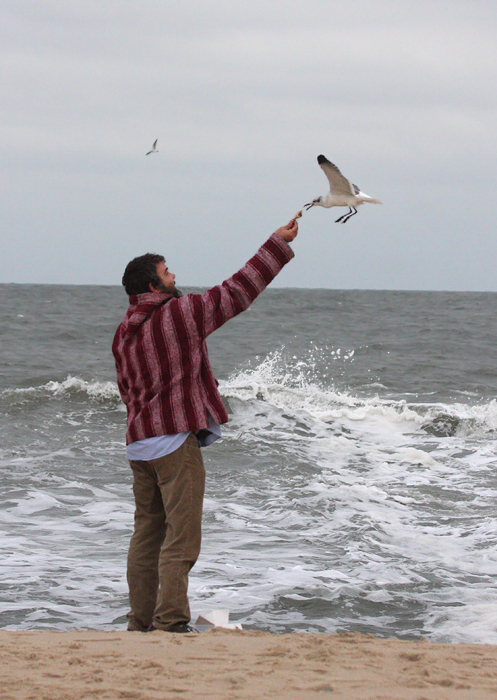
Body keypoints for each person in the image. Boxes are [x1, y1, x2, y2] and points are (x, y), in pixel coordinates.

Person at [112, 219, 298, 633]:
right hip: (174, 446)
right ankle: (171, 620)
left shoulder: (123, 331)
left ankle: (140, 620)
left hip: (139, 446)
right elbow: (236, 292)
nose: (174, 276)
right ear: (154, 287)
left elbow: (127, 389)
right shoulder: (178, 313)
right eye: (167, 272)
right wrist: (276, 244)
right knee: (182, 538)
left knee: (146, 536)